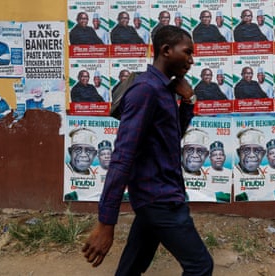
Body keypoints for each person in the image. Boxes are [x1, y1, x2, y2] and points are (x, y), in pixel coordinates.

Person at [82, 25, 212, 275]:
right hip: (160, 200)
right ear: (166, 50)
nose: (192, 60)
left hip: (155, 195)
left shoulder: (161, 89)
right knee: (200, 266)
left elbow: (171, 136)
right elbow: (122, 156)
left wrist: (188, 102)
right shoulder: (146, 90)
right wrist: (106, 222)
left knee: (131, 268)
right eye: (187, 52)